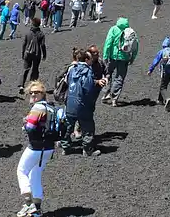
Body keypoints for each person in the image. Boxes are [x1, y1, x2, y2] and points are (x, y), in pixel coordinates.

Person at [17, 80, 56, 217]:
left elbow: (31, 127)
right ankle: (37, 209)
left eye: (36, 92)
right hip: (49, 148)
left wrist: (26, 121)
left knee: (22, 171)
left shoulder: (37, 108)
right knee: (35, 174)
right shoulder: (50, 107)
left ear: (42, 94)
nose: (33, 94)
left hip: (36, 147)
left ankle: (28, 203)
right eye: (31, 92)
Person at [61, 48, 106, 157]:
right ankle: (87, 149)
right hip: (82, 104)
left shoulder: (72, 69)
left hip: (70, 102)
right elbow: (88, 89)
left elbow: (66, 81)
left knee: (68, 125)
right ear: (86, 60)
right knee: (88, 126)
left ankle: (65, 147)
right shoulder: (87, 71)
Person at [102, 17, 138, 106]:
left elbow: (108, 43)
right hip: (124, 58)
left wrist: (105, 56)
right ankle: (114, 98)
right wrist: (132, 57)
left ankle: (106, 94)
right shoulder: (131, 31)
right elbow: (135, 45)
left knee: (107, 74)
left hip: (113, 57)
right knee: (120, 78)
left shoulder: (114, 29)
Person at [19, 17, 47, 94]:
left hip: (27, 53)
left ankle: (21, 85)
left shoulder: (27, 33)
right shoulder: (41, 34)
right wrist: (44, 54)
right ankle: (31, 85)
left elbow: (24, 44)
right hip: (37, 54)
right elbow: (43, 45)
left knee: (25, 69)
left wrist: (23, 53)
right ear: (39, 24)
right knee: (35, 70)